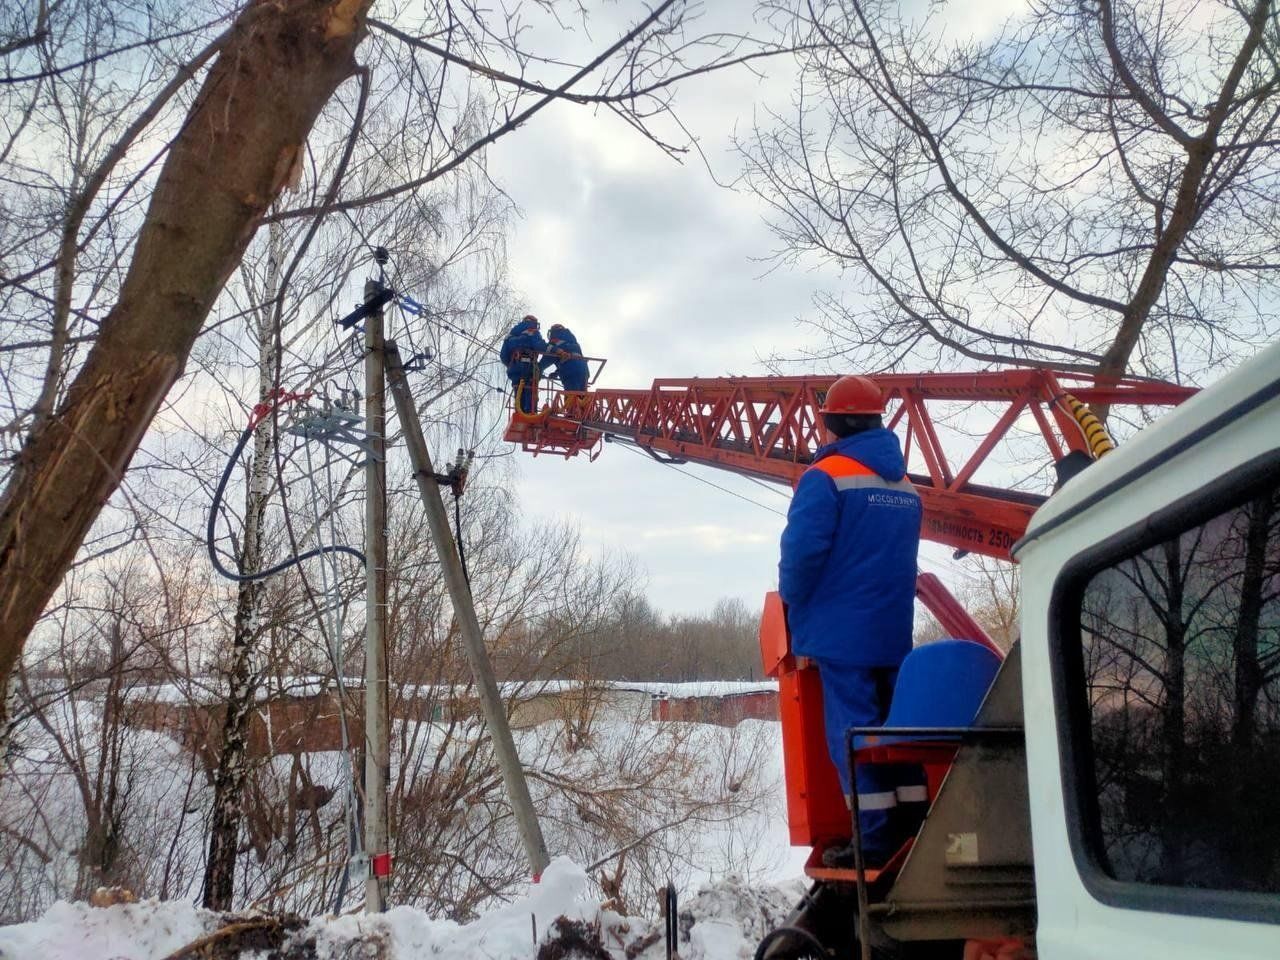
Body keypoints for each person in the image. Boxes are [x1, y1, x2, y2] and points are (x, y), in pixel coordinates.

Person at [777, 374, 923, 868]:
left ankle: (876, 841)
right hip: (891, 629)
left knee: (854, 734)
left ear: (835, 422)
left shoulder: (826, 476)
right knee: (897, 731)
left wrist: (794, 607)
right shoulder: (905, 485)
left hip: (841, 633)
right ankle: (914, 828)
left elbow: (800, 556)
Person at [500, 315, 547, 414]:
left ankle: (519, 412)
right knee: (530, 388)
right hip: (529, 366)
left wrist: (512, 365)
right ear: (534, 323)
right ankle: (530, 413)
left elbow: (503, 356)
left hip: (515, 367)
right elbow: (540, 347)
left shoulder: (510, 336)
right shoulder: (533, 331)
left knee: (518, 389)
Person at [539, 323, 590, 392]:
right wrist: (556, 373)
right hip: (583, 369)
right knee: (583, 396)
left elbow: (546, 360)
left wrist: (538, 369)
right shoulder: (572, 340)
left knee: (571, 397)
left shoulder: (554, 341)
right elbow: (572, 359)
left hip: (569, 370)